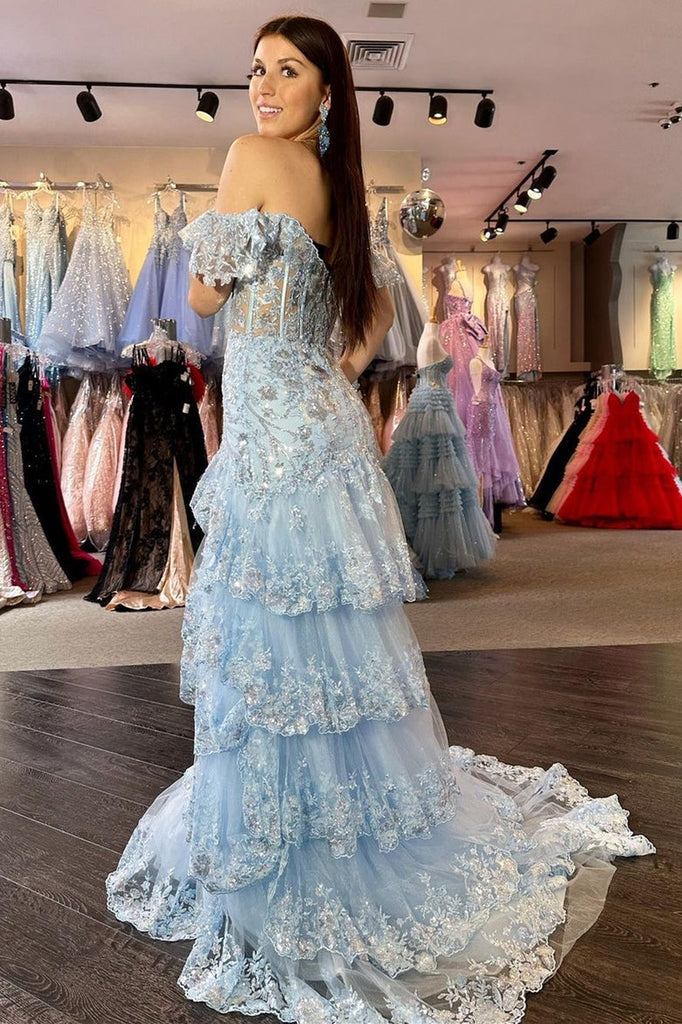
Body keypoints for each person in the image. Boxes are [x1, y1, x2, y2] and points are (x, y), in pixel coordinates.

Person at [105, 15, 654, 1024]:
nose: (262, 87)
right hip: (317, 428)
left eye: (287, 71)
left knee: (271, 644)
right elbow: (365, 327)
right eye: (255, 70)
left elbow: (202, 297)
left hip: (274, 437)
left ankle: (283, 847)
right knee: (329, 646)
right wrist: (314, 370)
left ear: (327, 91)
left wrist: (248, 302)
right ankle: (332, 824)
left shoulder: (250, 156)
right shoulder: (340, 191)